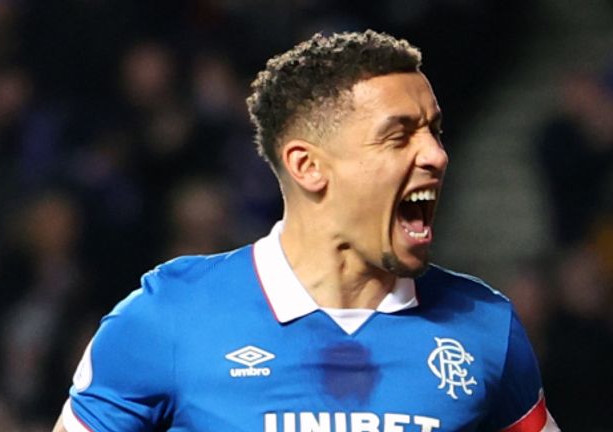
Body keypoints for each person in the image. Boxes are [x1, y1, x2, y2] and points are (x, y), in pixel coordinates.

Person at [52, 30, 559, 432]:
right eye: (399, 135)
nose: (436, 155)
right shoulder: (171, 317)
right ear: (308, 166)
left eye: (435, 131)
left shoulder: (485, 327)